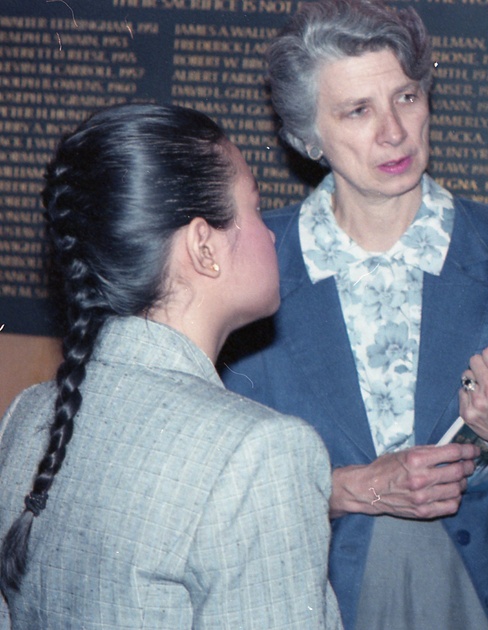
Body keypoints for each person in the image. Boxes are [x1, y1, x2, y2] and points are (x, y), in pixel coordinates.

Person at [219, 1, 488, 628]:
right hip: (315, 599)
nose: (393, 132)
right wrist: (347, 488)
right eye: (358, 110)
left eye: (406, 98)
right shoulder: (255, 261)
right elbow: (216, 492)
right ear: (308, 136)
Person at [0, 103, 342, 628]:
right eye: (255, 207)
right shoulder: (260, 452)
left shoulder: (28, 417)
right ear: (204, 247)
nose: (270, 232)